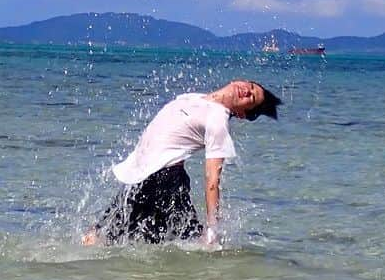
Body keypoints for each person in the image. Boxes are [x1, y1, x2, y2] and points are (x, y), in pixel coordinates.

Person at [81, 79, 281, 247]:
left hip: (166, 181)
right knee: (105, 236)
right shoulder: (195, 97)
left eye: (251, 98)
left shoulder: (218, 121)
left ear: (242, 113)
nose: (247, 91)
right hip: (142, 177)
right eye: (251, 87)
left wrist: (213, 228)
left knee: (187, 242)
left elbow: (212, 179)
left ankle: (212, 267)